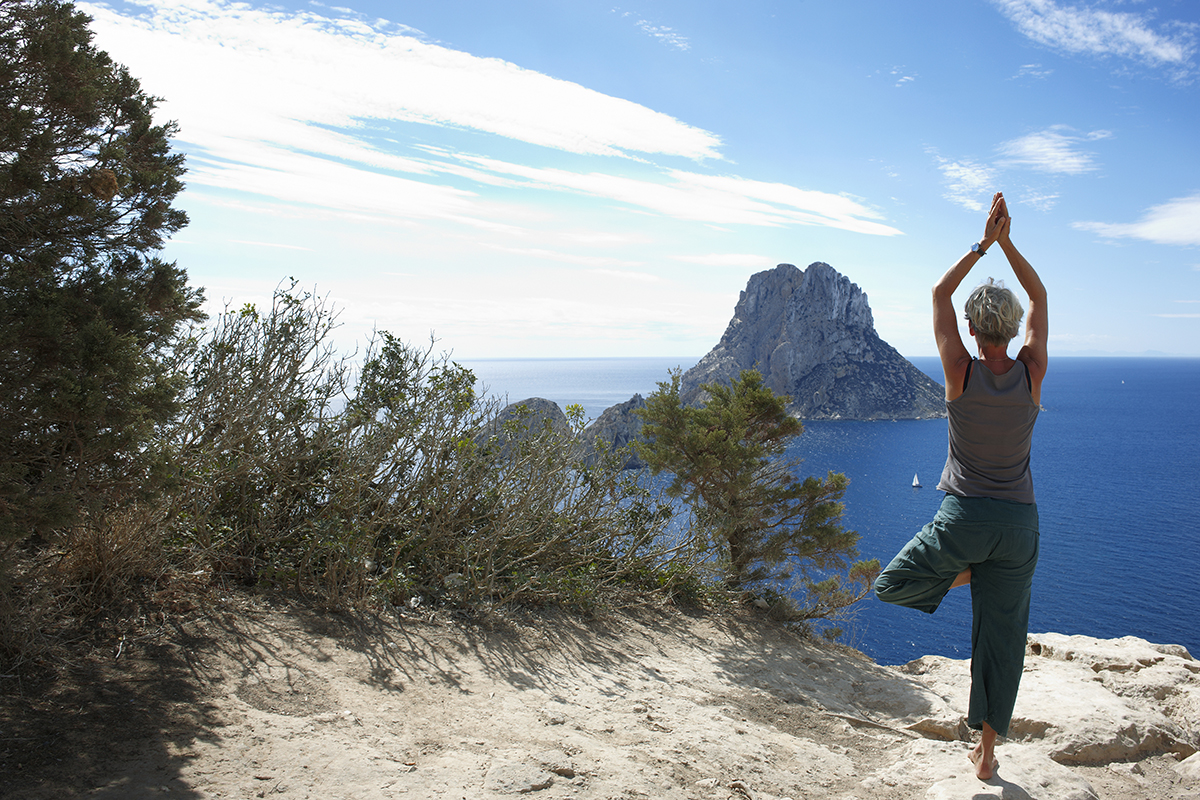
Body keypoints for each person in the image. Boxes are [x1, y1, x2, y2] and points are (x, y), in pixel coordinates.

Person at [874, 192, 1047, 781]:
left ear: (971, 329)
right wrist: (1008, 244)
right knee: (1003, 640)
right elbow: (1042, 296)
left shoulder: (959, 370)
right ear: (1015, 327)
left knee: (891, 583)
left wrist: (982, 245)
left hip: (965, 522)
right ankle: (988, 754)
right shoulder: (1032, 372)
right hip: (1020, 529)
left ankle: (961, 575)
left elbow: (938, 294)